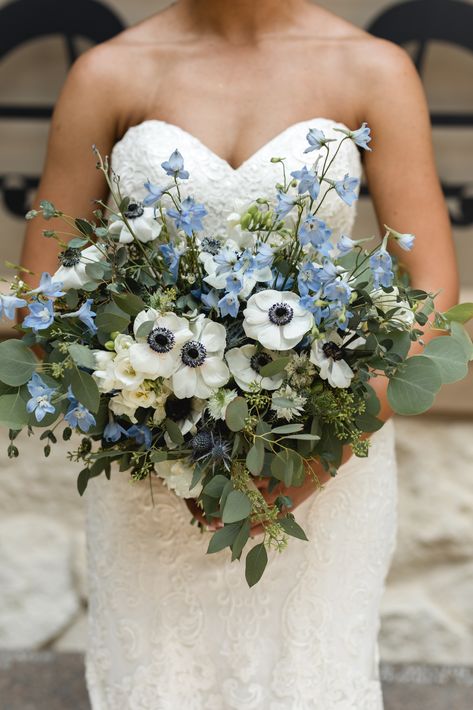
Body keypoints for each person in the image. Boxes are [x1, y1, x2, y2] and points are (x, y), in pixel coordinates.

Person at [20, 1, 458, 707]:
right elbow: (39, 293)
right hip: (151, 473)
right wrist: (157, 428)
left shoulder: (372, 69)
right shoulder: (107, 73)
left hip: (325, 456)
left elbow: (432, 287)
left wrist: (325, 445)